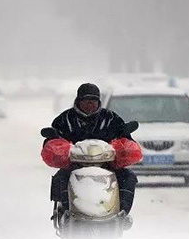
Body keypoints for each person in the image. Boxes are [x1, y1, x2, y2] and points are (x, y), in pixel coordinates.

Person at [41, 82, 141, 218]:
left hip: (108, 165)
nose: (90, 104)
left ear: (99, 102)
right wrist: (55, 141)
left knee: (128, 177)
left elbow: (125, 138)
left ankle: (122, 213)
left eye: (93, 100)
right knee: (61, 178)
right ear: (78, 101)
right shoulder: (65, 119)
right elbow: (53, 140)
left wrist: (124, 142)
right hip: (74, 165)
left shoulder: (111, 118)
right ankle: (65, 212)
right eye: (86, 100)